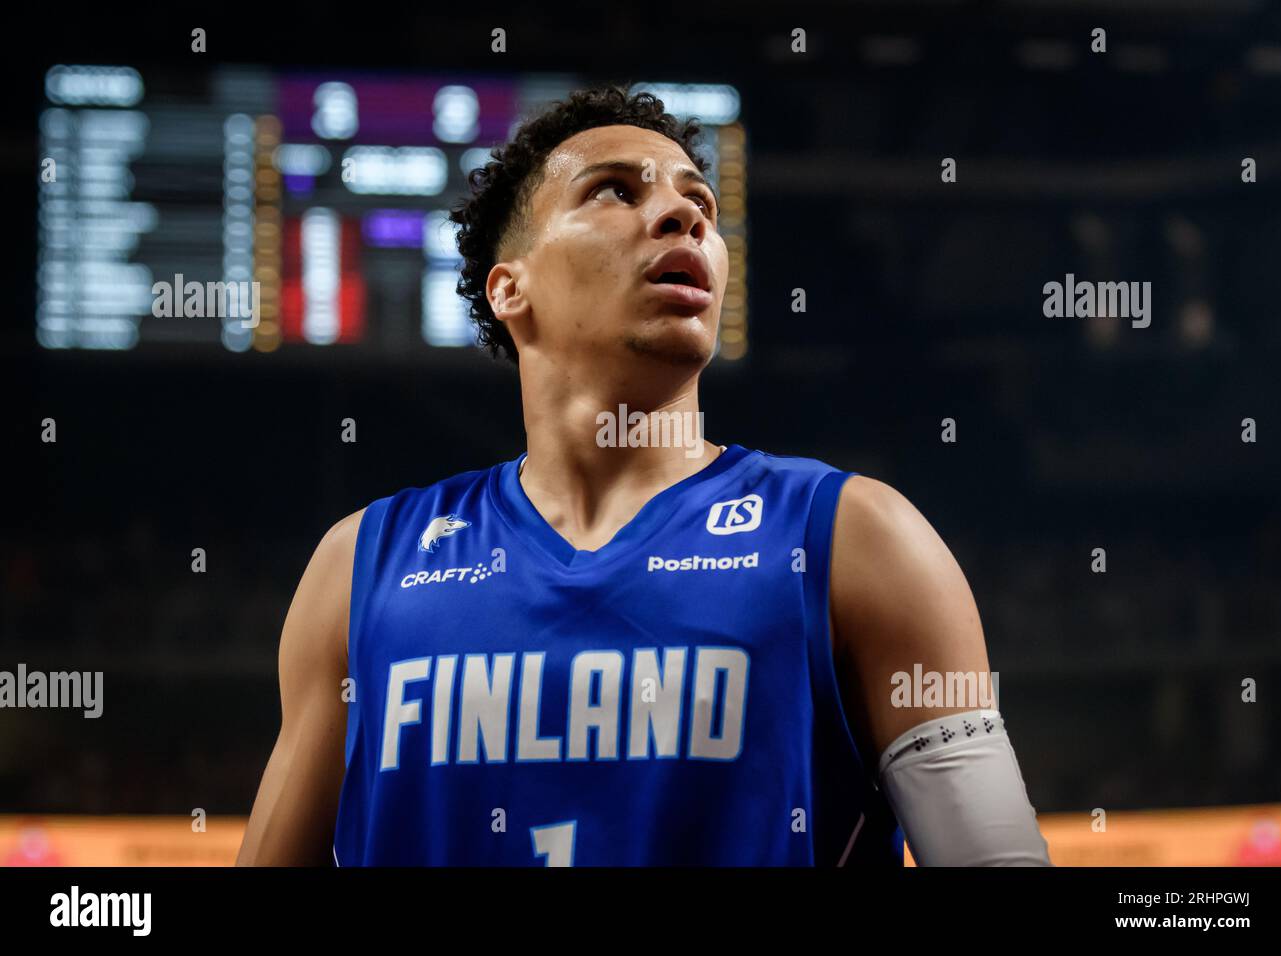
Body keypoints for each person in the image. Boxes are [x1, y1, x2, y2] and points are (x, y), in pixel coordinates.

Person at [237, 85, 1051, 867]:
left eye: (699, 200)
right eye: (613, 192)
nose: (685, 214)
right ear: (509, 286)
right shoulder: (360, 569)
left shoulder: (859, 540)